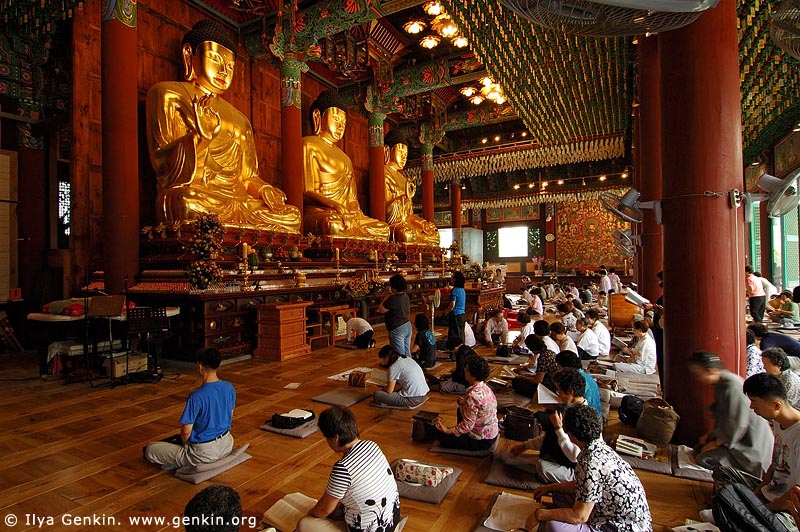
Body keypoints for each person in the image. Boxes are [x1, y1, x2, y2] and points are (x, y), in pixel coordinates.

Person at [146, 19, 301, 232]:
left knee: (291, 215)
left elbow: (247, 178)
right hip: (200, 194)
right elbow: (164, 167)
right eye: (215, 59)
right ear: (188, 55)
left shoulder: (240, 118)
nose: (223, 71)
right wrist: (201, 137)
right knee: (186, 201)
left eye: (229, 66)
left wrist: (264, 189)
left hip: (237, 200)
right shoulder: (169, 94)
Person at [530, 404, 652, 532]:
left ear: (571, 435)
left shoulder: (590, 462)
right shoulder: (599, 447)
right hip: (614, 513)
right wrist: (550, 487)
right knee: (559, 492)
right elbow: (583, 485)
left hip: (622, 527)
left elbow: (580, 516)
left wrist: (540, 514)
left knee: (554, 526)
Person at [711, 373, 800, 531]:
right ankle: (736, 513)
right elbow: (774, 466)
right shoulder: (779, 423)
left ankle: (734, 513)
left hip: (785, 510)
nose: (752, 407)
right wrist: (756, 496)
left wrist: (765, 510)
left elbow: (796, 493)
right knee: (723, 473)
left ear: (776, 405)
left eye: (755, 402)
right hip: (768, 495)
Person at [302, 90, 390, 239]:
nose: (340, 126)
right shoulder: (308, 145)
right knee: (333, 224)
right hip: (319, 212)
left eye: (343, 123)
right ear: (318, 116)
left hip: (345, 214)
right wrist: (334, 205)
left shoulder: (345, 159)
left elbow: (352, 200)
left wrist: (353, 210)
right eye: (336, 119)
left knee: (383, 228)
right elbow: (306, 191)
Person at [298, 407, 400, 532]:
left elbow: (324, 510)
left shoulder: (343, 468)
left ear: (335, 438)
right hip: (393, 521)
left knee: (304, 523)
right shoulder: (372, 445)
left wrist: (310, 514)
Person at [144, 347, 235, 469]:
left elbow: (186, 432)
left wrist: (186, 445)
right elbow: (230, 416)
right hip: (226, 445)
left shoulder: (197, 396)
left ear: (200, 367)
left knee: (150, 449)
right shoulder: (229, 387)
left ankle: (185, 460)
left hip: (204, 453)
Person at [689, 351, 773, 479]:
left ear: (710, 370)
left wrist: (715, 443)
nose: (697, 378)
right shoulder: (721, 383)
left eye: (698, 374)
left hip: (749, 447)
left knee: (703, 458)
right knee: (698, 449)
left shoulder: (732, 385)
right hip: (735, 439)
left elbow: (737, 423)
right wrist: (709, 436)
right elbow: (721, 415)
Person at [504, 369, 592, 484]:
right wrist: (524, 446)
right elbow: (551, 436)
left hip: (577, 468)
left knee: (543, 468)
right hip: (560, 457)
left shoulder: (584, 418)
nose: (558, 394)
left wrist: (558, 429)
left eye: (559, 391)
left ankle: (572, 479)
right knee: (511, 460)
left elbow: (576, 456)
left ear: (570, 392)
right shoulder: (568, 408)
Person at [383, 130, 439, 245]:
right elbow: (385, 209)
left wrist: (423, 224)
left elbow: (409, 215)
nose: (404, 156)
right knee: (406, 235)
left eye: (406, 153)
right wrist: (404, 198)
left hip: (406, 224)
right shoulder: (383, 173)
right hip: (394, 226)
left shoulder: (403, 179)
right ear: (388, 150)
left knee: (434, 236)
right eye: (401, 151)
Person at [431, 355, 499, 451]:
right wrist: (464, 402)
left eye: (466, 370)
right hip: (491, 433)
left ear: (473, 375)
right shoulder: (485, 387)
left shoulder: (473, 396)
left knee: (441, 435)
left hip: (480, 440)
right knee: (460, 410)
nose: (464, 371)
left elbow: (468, 426)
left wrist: (447, 430)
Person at [555, 350, 602, 418]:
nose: (558, 370)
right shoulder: (586, 375)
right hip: (595, 414)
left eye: (559, 368)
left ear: (566, 368)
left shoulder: (573, 380)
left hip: (586, 416)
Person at [377, 274, 411, 357]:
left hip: (397, 327)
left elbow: (381, 309)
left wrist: (387, 295)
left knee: (399, 355)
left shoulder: (393, 299)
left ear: (394, 288)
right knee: (407, 352)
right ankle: (410, 366)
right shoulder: (405, 296)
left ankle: (401, 369)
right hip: (407, 325)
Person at [446, 271, 467, 349]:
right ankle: (462, 350)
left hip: (455, 315)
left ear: (455, 279)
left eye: (452, 277)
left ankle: (454, 352)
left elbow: (452, 305)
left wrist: (447, 311)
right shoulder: (462, 290)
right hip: (462, 314)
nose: (451, 279)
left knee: (454, 335)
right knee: (461, 333)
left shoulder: (454, 290)